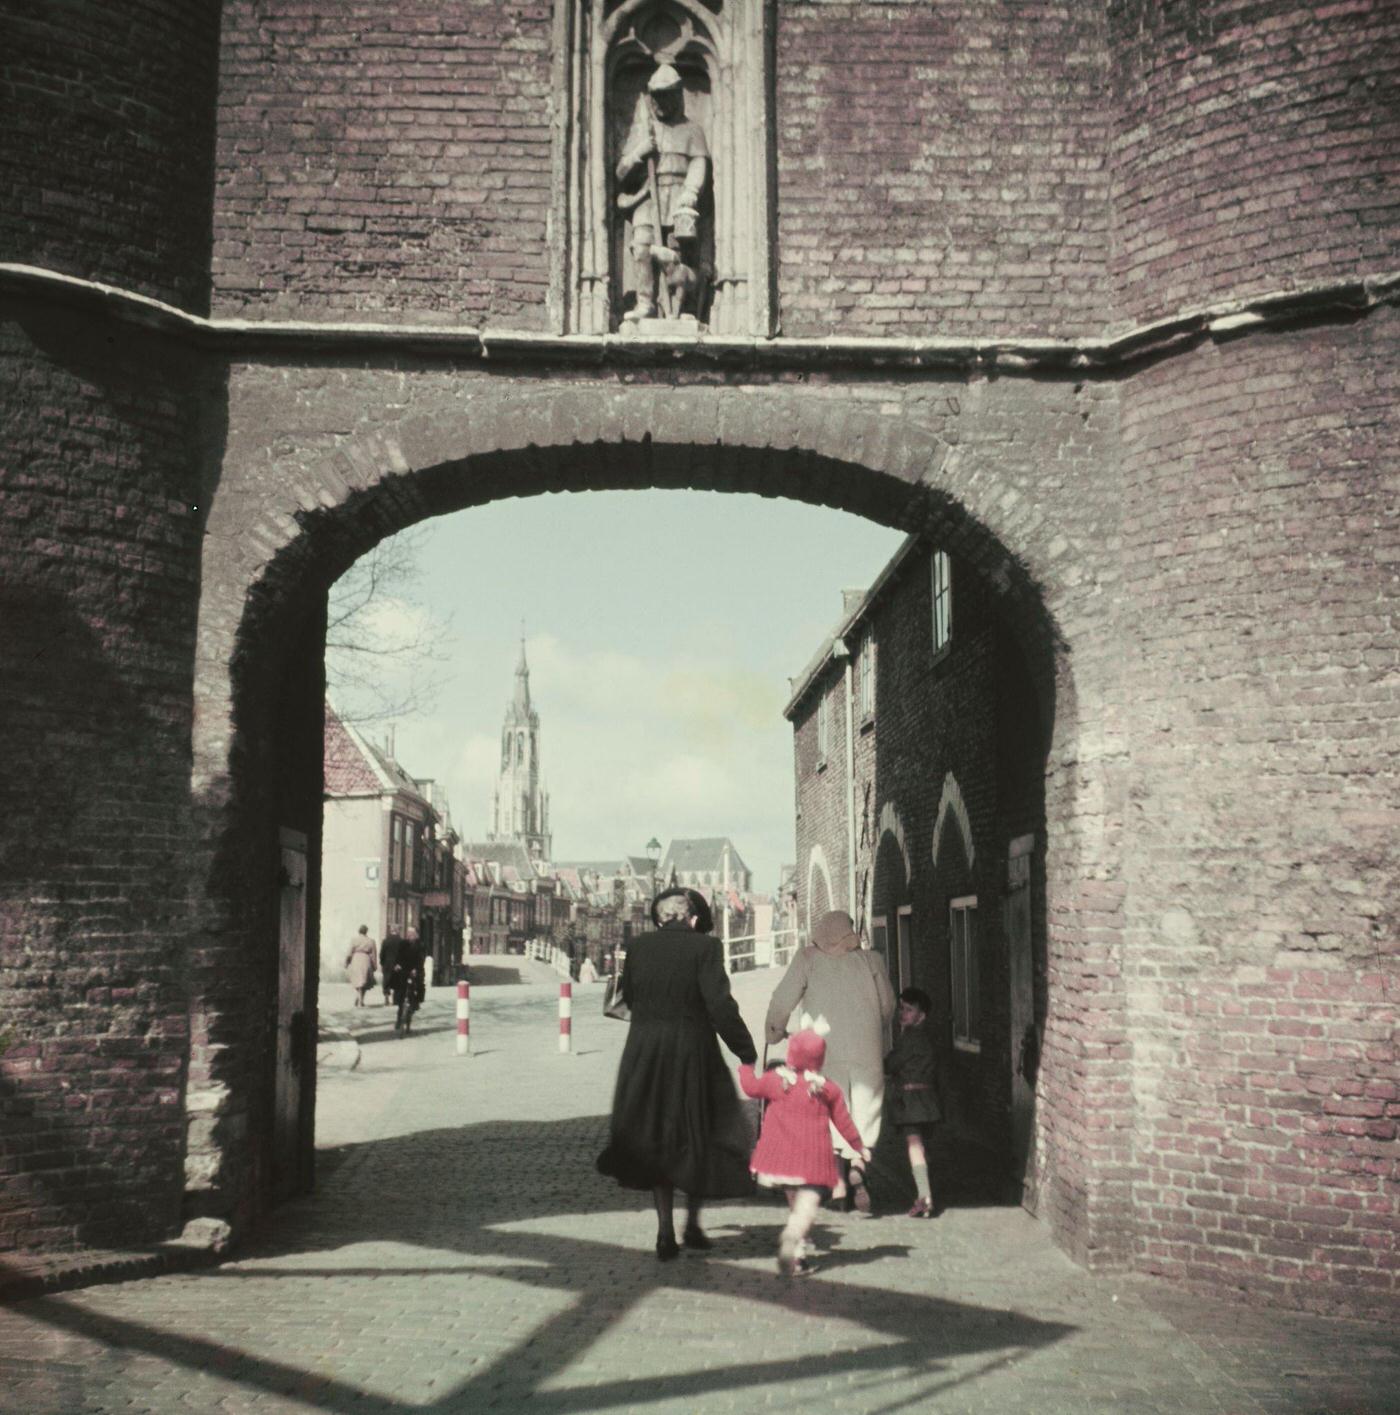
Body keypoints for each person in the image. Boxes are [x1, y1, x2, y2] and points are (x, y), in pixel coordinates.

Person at [597, 886, 757, 1260]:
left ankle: (665, 1230)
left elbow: (631, 999)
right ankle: (694, 1225)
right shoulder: (706, 948)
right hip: (692, 1054)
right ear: (694, 918)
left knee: (658, 1138)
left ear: (658, 917)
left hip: (646, 1057)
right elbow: (719, 1005)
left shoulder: (638, 948)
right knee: (701, 1134)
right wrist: (744, 1050)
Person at [764, 909, 895, 1213]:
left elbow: (783, 999)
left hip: (822, 1050)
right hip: (866, 1048)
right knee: (865, 1112)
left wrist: (774, 1031)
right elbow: (887, 1006)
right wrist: (873, 1027)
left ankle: (837, 1188)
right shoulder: (871, 960)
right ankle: (859, 1169)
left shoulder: (808, 958)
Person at [739, 1028, 869, 1277]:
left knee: (793, 1192)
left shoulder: (777, 1081)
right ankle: (796, 1243)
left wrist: (746, 1067)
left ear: (791, 1056)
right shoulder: (826, 1088)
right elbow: (844, 1121)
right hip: (813, 1161)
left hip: (783, 1159)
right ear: (820, 1059)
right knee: (807, 1202)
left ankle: (796, 1238)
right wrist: (858, 1147)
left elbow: (751, 1088)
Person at [615, 63, 709, 322]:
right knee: (642, 246)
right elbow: (621, 174)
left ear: (677, 96)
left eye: (666, 96)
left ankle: (682, 308)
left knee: (679, 252)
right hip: (648, 196)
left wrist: (690, 191)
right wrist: (638, 153)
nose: (660, 102)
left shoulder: (692, 131)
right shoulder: (644, 131)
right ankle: (646, 302)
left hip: (679, 195)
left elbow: (699, 163)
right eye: (656, 96)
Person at [885, 986, 947, 1218]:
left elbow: (891, 1065)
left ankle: (925, 1196)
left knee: (914, 1147)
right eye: (902, 1009)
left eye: (909, 1010)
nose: (903, 1014)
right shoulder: (928, 1037)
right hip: (928, 1099)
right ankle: (925, 1191)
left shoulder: (910, 1038)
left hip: (911, 1101)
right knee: (922, 1147)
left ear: (922, 1015)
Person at [392, 928, 426, 1035]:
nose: (411, 935)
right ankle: (398, 1017)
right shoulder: (402, 944)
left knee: (419, 986)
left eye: (413, 934)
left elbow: (421, 959)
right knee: (399, 988)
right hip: (404, 970)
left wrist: (417, 969)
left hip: (415, 970)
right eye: (409, 934)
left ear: (416, 935)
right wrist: (397, 965)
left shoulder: (420, 945)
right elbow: (397, 956)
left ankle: (417, 1003)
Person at [344, 924, 377, 1008]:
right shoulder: (371, 941)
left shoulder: (354, 940)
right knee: (364, 981)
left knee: (358, 980)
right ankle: (361, 999)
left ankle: (359, 998)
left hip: (356, 959)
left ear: (359, 931)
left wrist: (347, 962)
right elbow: (373, 954)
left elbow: (349, 952)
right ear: (366, 931)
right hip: (366, 959)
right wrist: (374, 965)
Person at [379, 930, 402, 1007]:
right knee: (397, 982)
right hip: (397, 964)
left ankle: (386, 998)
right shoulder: (401, 941)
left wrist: (382, 963)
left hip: (387, 964)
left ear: (391, 931)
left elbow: (382, 954)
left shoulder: (385, 941)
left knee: (387, 981)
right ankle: (396, 1000)